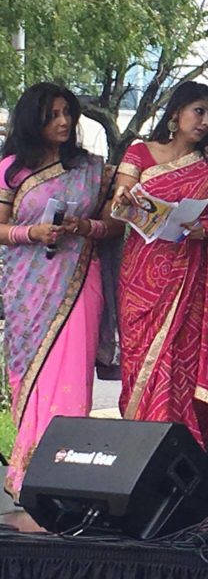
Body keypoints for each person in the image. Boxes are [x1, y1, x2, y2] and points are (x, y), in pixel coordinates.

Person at [0, 83, 116, 500]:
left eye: (68, 113)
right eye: (53, 115)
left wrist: (84, 227)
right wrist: (31, 232)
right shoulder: (11, 169)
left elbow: (115, 225)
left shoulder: (92, 169)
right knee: (30, 378)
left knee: (70, 378)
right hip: (26, 291)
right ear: (34, 120)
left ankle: (64, 476)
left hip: (78, 284)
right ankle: (28, 473)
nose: (64, 121)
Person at [114, 82, 208, 451]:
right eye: (198, 111)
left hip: (192, 278)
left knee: (183, 364)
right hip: (142, 278)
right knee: (140, 363)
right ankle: (138, 453)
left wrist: (203, 229)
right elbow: (118, 203)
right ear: (175, 113)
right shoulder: (140, 152)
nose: (206, 121)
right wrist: (128, 202)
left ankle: (185, 455)